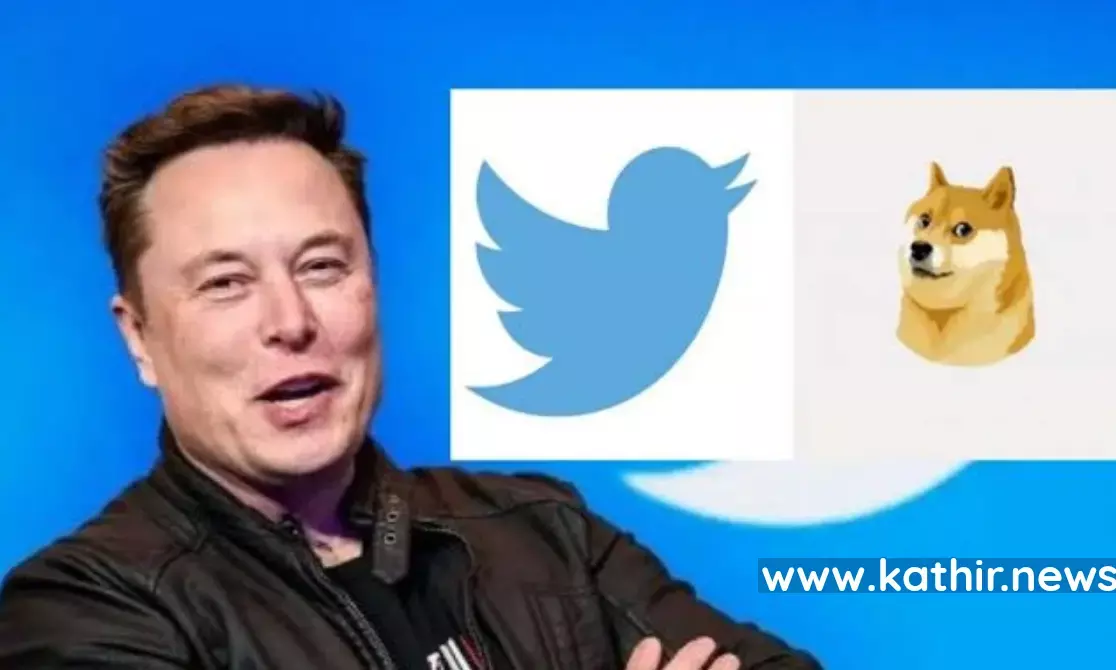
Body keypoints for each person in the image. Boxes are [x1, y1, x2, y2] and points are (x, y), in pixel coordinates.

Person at [0, 84, 822, 670]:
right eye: (226, 283)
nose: (290, 320)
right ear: (139, 337)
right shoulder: (87, 605)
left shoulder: (542, 531)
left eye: (322, 266)